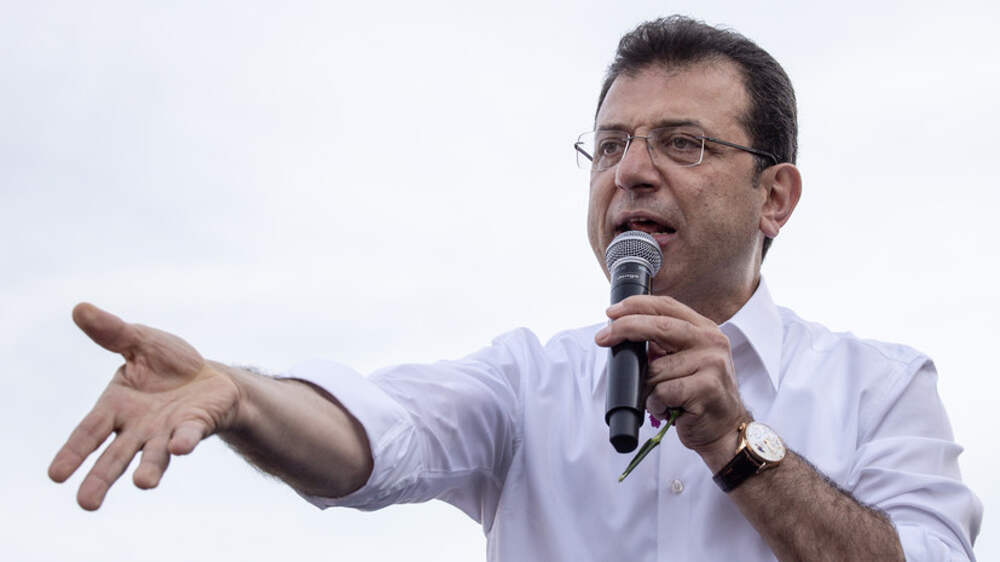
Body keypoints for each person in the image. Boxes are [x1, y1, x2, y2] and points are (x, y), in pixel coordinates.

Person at [49, 16, 981, 561]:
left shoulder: (880, 386)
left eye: (682, 143)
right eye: (610, 146)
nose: (632, 172)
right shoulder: (527, 384)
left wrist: (737, 443)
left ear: (774, 196)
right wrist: (241, 396)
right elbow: (379, 437)